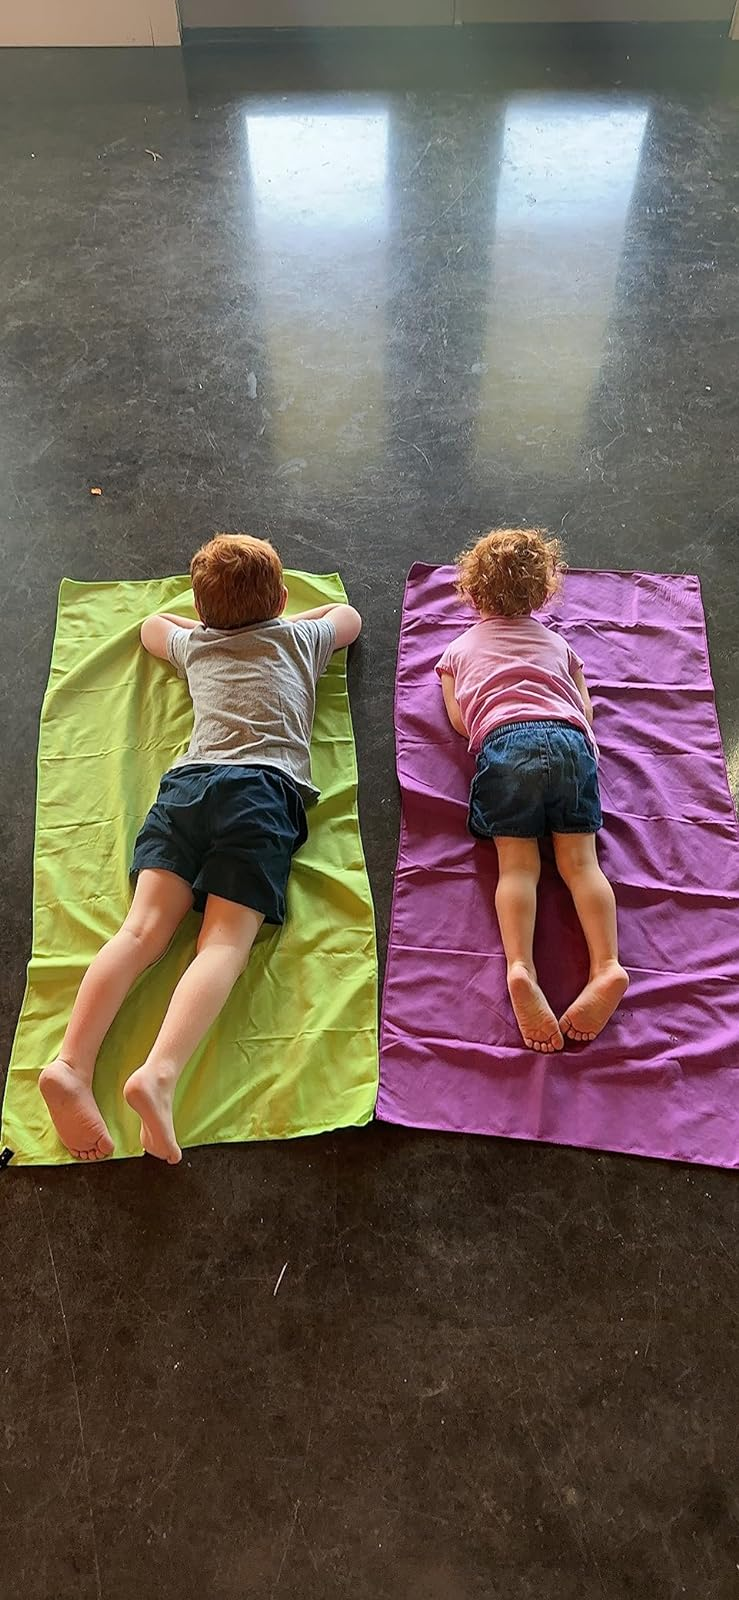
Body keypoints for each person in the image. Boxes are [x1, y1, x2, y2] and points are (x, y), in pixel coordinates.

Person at [40, 533, 362, 1164]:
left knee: (140, 935)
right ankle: (157, 1074)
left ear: (200, 606)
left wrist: (207, 625)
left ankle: (72, 1063)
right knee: (221, 942)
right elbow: (347, 619)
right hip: (261, 796)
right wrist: (288, 619)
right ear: (281, 598)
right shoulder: (299, 638)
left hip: (187, 789)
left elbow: (150, 628)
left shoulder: (196, 644)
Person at [437, 527, 628, 1054]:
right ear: (544, 595)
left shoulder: (458, 649)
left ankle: (521, 968)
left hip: (505, 745)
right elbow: (586, 709)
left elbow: (457, 720)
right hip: (569, 744)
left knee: (518, 868)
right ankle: (607, 965)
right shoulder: (560, 645)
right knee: (582, 866)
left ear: (472, 595)